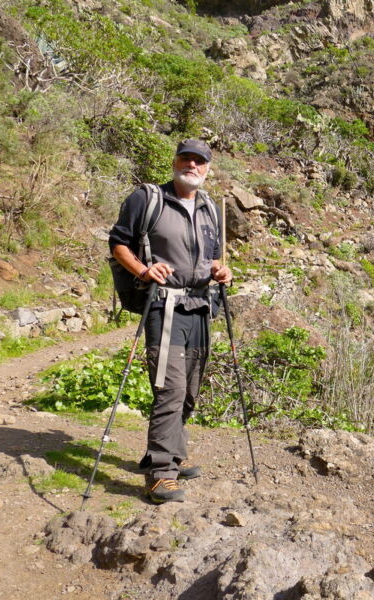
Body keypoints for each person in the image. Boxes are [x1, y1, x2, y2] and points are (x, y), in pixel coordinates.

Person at [109, 139, 232, 503]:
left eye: (200, 161)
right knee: (170, 387)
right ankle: (161, 473)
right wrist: (145, 270)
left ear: (208, 168)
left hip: (200, 306)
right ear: (175, 162)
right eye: (186, 159)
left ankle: (169, 455)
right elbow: (118, 244)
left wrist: (218, 270)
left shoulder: (210, 207)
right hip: (164, 306)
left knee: (191, 390)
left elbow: (211, 256)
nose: (192, 165)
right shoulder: (148, 200)